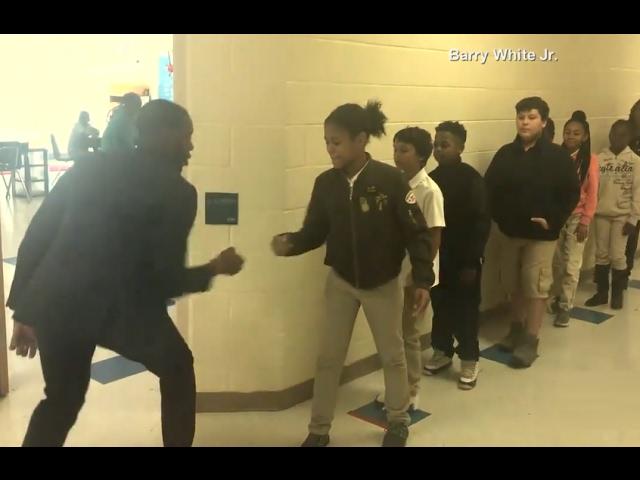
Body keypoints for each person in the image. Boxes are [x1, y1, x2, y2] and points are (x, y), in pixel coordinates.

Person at [8, 99, 245, 447]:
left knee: (61, 401)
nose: (190, 146)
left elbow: (38, 234)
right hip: (122, 310)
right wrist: (215, 268)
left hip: (59, 303)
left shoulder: (90, 166)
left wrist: (25, 310)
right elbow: (166, 279)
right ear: (164, 136)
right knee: (178, 368)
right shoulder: (177, 193)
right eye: (186, 136)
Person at [271, 100, 435, 447]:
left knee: (393, 356)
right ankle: (319, 430)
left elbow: (417, 233)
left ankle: (398, 422)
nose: (330, 148)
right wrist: (292, 243)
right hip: (342, 282)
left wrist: (423, 280)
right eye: (327, 141)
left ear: (361, 140)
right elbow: (315, 231)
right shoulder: (326, 184)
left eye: (337, 141)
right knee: (329, 358)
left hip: (383, 283)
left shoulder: (390, 180)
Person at [485, 96, 580, 368]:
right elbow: (489, 189)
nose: (525, 122)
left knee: (536, 285)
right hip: (510, 233)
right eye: (521, 117)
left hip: (541, 236)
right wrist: (499, 218)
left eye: (531, 117)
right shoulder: (506, 154)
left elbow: (571, 193)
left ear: (544, 122)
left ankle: (530, 339)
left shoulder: (557, 156)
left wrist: (554, 220)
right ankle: (516, 328)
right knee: (513, 284)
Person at [373, 126, 444, 409]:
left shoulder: (429, 191)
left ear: (422, 156)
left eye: (404, 151)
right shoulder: (394, 183)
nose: (397, 155)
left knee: (409, 332)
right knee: (393, 334)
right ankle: (396, 387)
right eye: (395, 149)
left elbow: (434, 235)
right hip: (393, 270)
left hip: (415, 272)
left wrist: (421, 275)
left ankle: (412, 389)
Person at [424, 121, 491, 389]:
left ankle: (469, 358)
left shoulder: (472, 180)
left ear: (461, 147)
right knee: (440, 304)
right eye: (436, 145)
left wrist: (472, 261)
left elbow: (481, 222)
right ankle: (442, 350)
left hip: (465, 259)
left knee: (465, 309)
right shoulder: (431, 180)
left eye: (445, 145)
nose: (439, 150)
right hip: (440, 257)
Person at [548, 111, 599, 326]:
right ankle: (557, 297)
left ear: (585, 137)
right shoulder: (555, 156)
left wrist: (586, 220)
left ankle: (565, 307)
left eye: (576, 133)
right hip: (557, 215)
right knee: (557, 263)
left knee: (572, 264)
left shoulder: (590, 161)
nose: (570, 136)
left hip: (578, 216)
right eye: (567, 132)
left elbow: (593, 193)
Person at [585, 119, 640, 310]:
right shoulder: (600, 159)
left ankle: (617, 295)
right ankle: (601, 293)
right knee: (600, 254)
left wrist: (634, 219)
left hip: (623, 216)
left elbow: (638, 192)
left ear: (630, 137)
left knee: (617, 255)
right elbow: (592, 188)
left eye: (622, 134)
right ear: (609, 135)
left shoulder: (635, 161)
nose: (617, 138)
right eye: (614, 133)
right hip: (601, 214)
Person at [624, 100, 640, 281]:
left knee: (633, 231)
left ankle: (626, 269)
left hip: (637, 190)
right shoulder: (624, 130)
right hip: (622, 189)